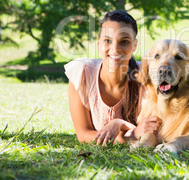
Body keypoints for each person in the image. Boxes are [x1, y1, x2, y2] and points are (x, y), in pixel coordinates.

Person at [65, 10, 161, 146]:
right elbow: (83, 135)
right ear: (98, 43)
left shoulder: (146, 77)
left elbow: (154, 128)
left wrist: (118, 124)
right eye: (107, 41)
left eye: (124, 42)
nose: (115, 48)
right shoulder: (82, 74)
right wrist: (132, 134)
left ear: (134, 45)